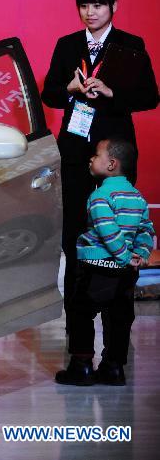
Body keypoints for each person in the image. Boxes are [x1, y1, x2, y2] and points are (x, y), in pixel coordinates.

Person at [41, 0, 158, 316]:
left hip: (116, 152)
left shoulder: (130, 45)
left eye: (98, 4)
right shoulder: (67, 45)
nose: (90, 12)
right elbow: (48, 94)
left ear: (113, 6)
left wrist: (111, 93)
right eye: (84, 5)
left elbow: (151, 96)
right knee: (75, 228)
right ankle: (77, 318)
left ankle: (118, 313)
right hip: (76, 149)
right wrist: (70, 89)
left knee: (120, 227)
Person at [55, 138, 154, 386]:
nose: (90, 158)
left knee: (80, 313)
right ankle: (113, 367)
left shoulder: (100, 196)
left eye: (96, 155)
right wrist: (138, 255)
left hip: (97, 267)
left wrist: (120, 257)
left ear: (111, 164)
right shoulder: (138, 198)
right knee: (119, 318)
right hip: (126, 271)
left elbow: (106, 230)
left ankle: (82, 366)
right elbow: (146, 231)